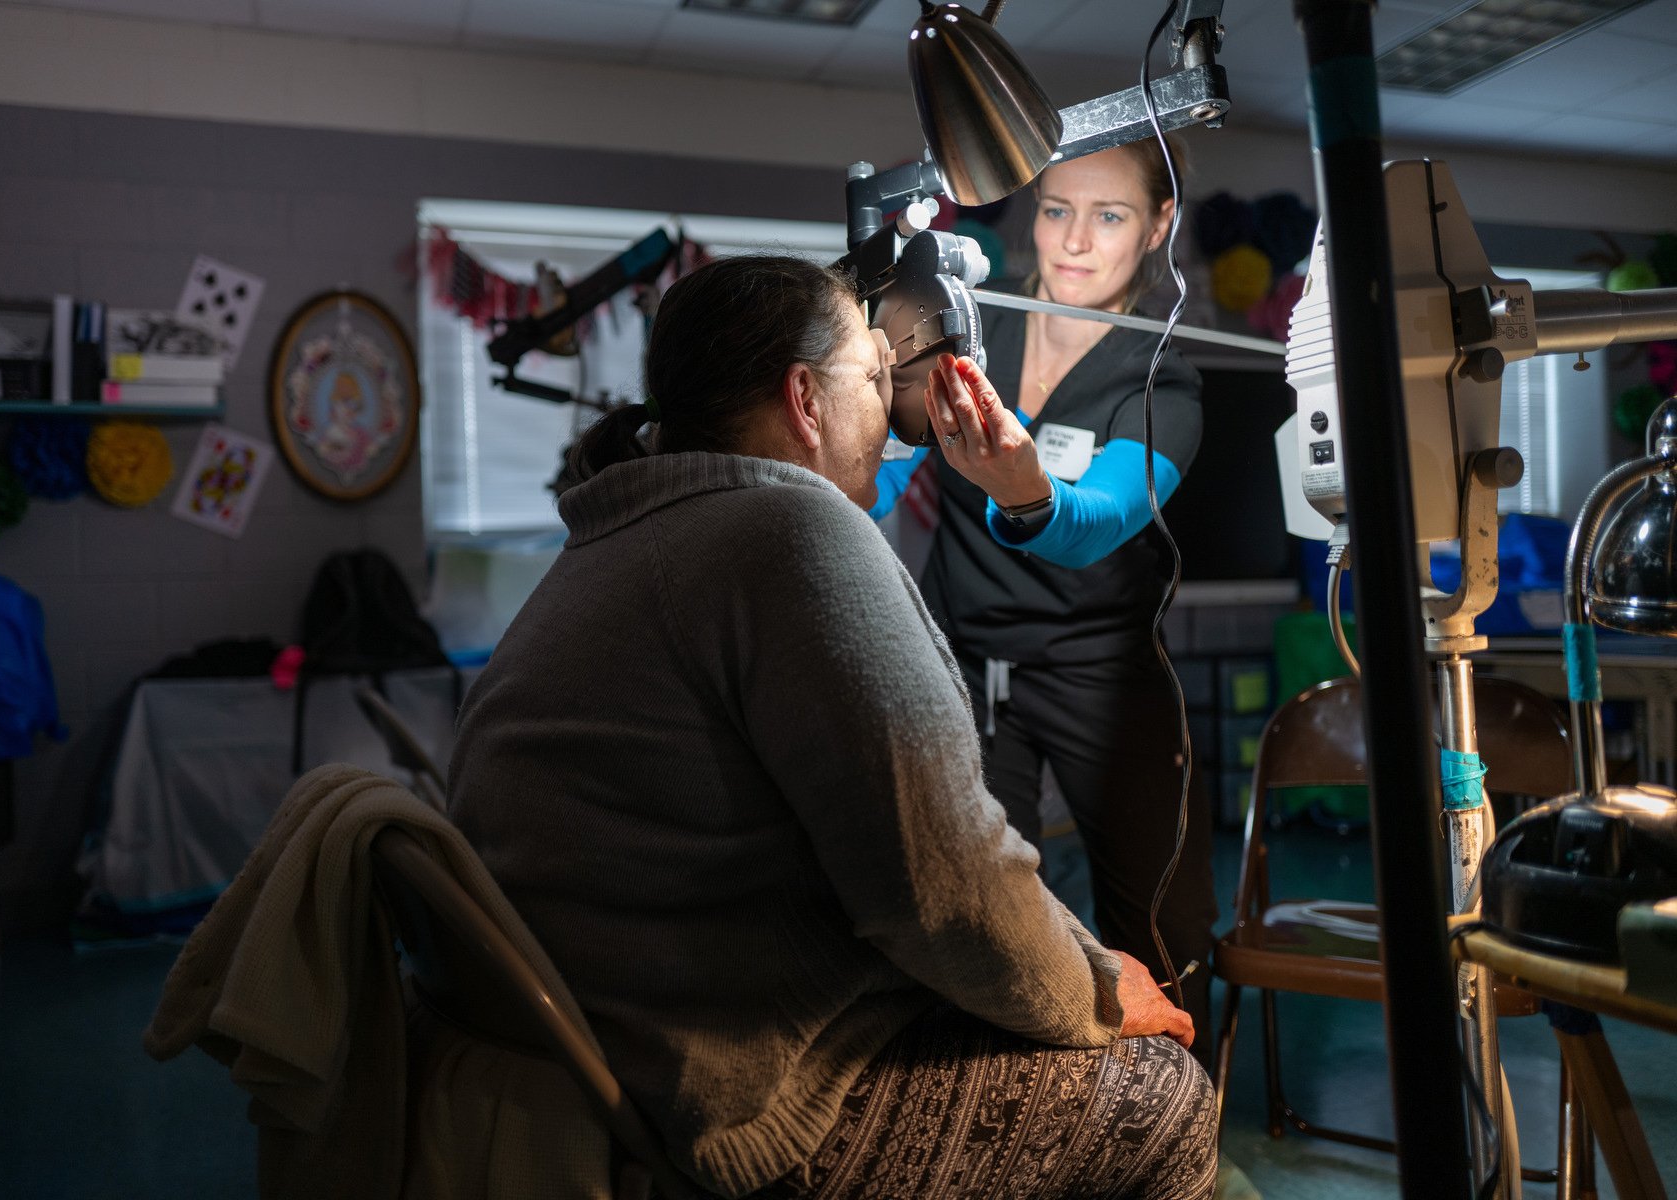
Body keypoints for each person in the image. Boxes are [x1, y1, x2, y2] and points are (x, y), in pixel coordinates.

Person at [448, 254, 1216, 1200]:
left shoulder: (616, 535)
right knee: (1163, 1096)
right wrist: (1099, 993)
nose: (890, 417)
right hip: (737, 1098)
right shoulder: (792, 535)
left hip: (603, 1047)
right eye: (868, 373)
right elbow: (944, 886)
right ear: (804, 401)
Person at [870, 138, 1218, 1065]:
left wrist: (1024, 492)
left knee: (1161, 921)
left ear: (1158, 227)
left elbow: (1095, 520)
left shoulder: (1163, 381)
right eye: (1057, 209)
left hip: (1100, 673)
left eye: (1109, 216)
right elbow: (875, 475)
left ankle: (1178, 1127)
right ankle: (1016, 1119)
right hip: (965, 662)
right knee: (983, 920)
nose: (1072, 241)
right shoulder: (965, 333)